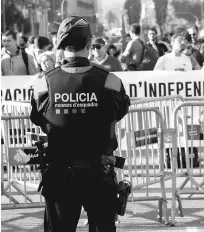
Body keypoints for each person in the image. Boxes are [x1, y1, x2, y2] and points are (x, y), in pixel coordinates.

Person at [30, 16, 130, 232]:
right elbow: (120, 112)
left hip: (59, 174)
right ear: (89, 43)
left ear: (61, 45)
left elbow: (38, 119)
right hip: (99, 174)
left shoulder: (42, 83)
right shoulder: (110, 80)